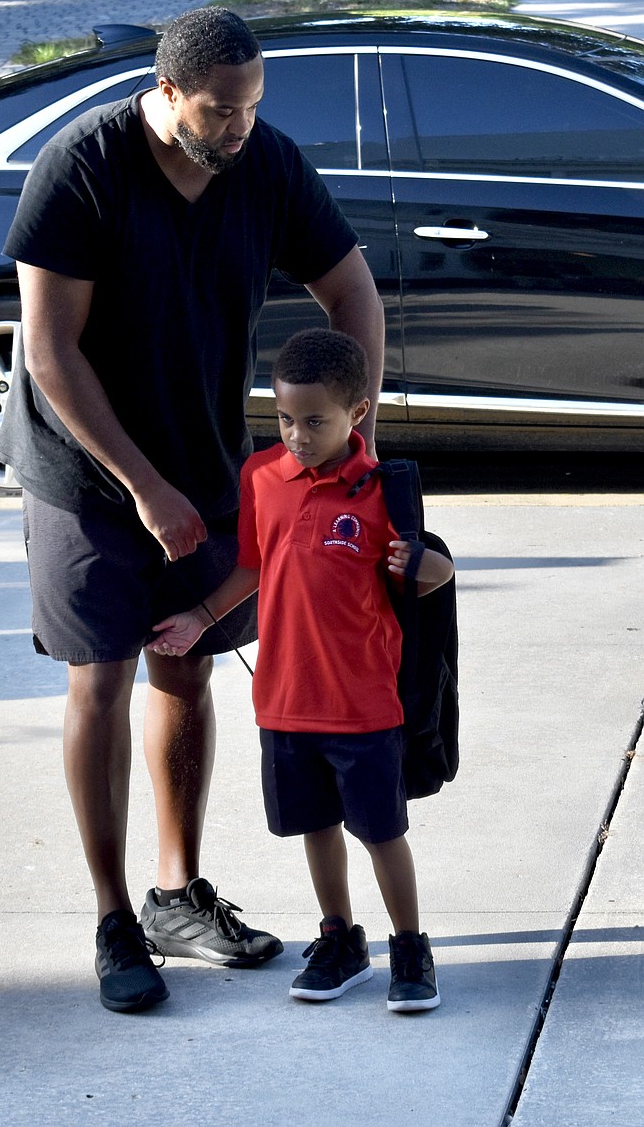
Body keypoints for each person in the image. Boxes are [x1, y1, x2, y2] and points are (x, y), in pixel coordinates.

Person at [0, 7, 386, 1014]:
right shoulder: (83, 167)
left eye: (252, 106)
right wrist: (143, 487)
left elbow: (352, 295)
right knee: (102, 676)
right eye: (221, 109)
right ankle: (114, 918)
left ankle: (177, 895)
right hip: (85, 471)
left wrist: (354, 432)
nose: (240, 127)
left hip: (204, 459)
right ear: (168, 92)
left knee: (188, 664)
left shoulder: (266, 163)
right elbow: (50, 351)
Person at [149, 327, 453, 1011]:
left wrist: (428, 565)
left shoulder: (380, 492)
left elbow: (433, 575)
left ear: (358, 412)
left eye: (314, 421)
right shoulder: (262, 477)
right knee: (316, 825)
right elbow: (253, 566)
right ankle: (340, 939)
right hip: (286, 699)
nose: (296, 435)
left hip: (362, 703)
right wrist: (200, 619)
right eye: (285, 418)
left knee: (381, 831)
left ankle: (410, 945)